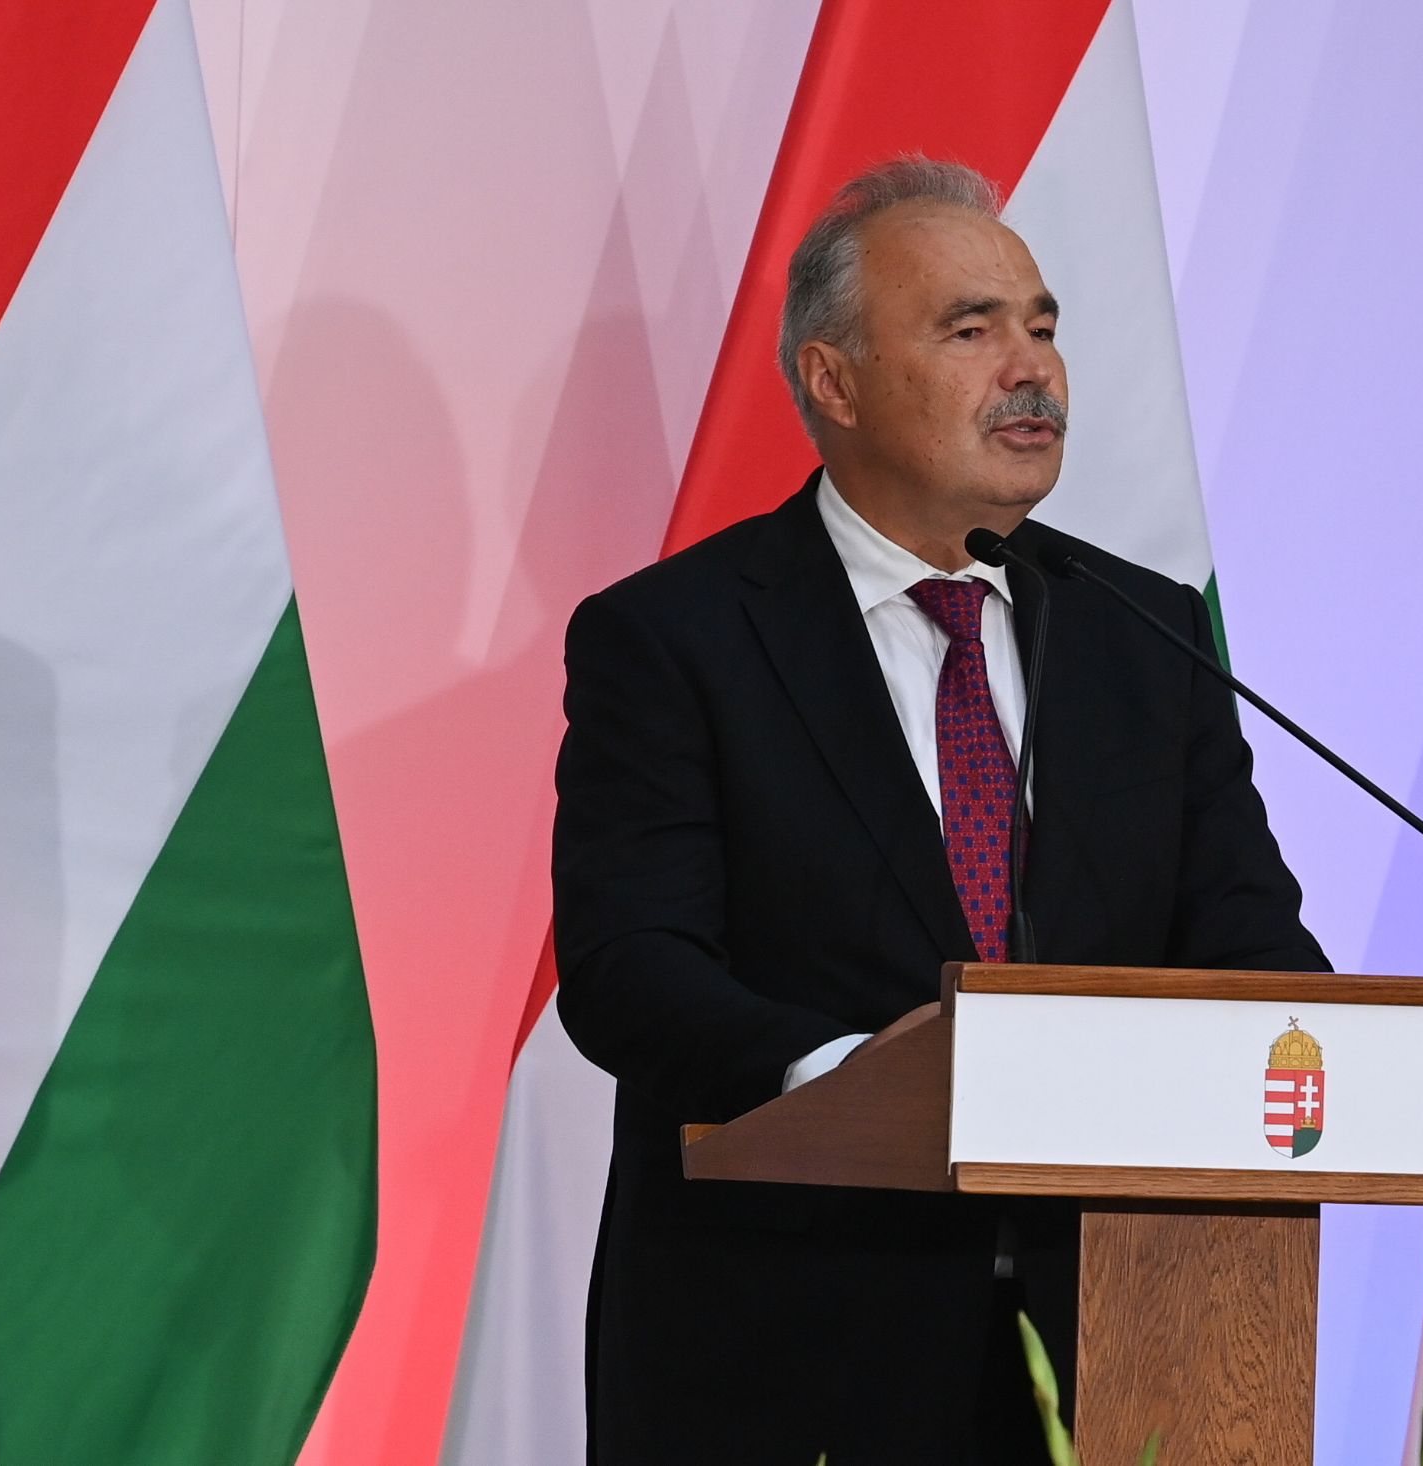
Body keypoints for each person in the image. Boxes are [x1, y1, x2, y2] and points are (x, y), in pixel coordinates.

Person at [553, 157, 1327, 1465]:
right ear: (835, 381)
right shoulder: (676, 640)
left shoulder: (1146, 633)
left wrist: (1325, 1055)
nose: (1032, 370)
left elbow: (1252, 948)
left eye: (1042, 327)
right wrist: (851, 1080)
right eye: (971, 331)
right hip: (793, 1354)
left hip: (1130, 1346)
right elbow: (632, 969)